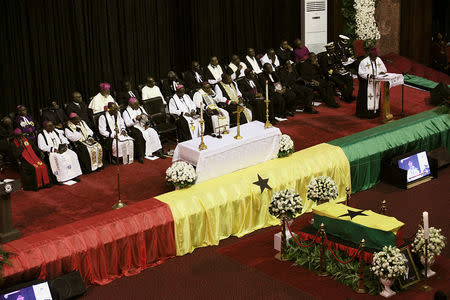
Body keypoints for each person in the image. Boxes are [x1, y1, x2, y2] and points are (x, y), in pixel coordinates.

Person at [123, 98, 163, 163]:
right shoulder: (126, 112)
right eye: (135, 105)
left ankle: (158, 150)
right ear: (130, 105)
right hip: (134, 128)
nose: (138, 106)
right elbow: (127, 124)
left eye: (138, 104)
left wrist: (146, 120)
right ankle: (141, 156)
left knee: (153, 132)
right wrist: (135, 119)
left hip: (143, 126)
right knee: (139, 136)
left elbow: (147, 116)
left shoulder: (140, 108)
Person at [356, 47, 387, 118]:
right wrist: (369, 75)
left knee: (376, 96)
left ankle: (375, 112)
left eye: (376, 57)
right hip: (366, 83)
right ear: (370, 55)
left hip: (376, 83)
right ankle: (365, 114)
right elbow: (360, 73)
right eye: (373, 57)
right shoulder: (364, 62)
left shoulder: (378, 59)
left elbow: (384, 69)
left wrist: (382, 72)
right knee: (365, 97)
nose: (375, 58)